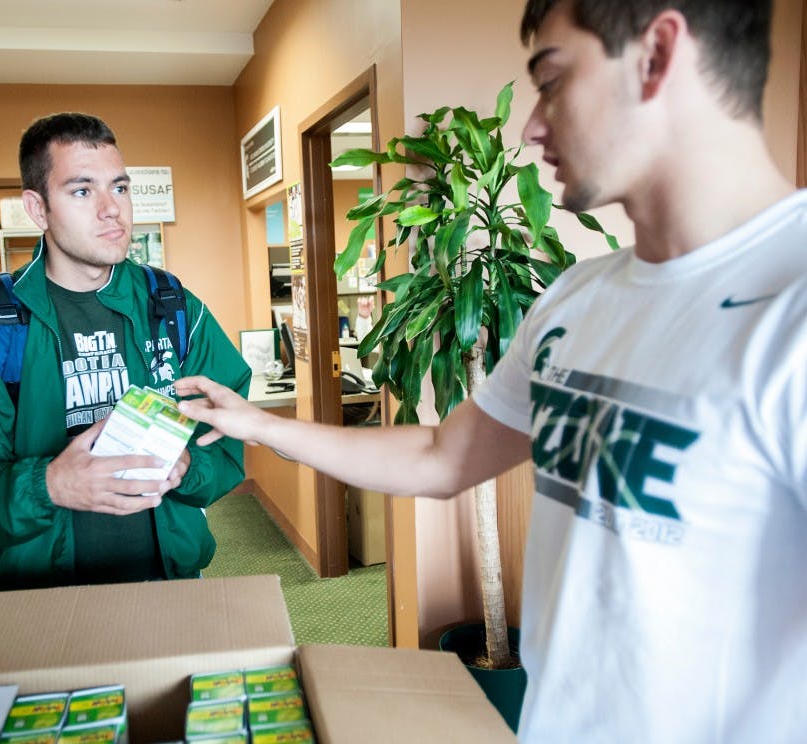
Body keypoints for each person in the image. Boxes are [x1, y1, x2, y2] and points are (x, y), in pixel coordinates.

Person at [175, 1, 806, 741]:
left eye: (552, 79)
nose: (533, 126)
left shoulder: (790, 307)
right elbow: (445, 456)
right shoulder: (577, 297)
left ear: (658, 54)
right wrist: (254, 425)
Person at [0, 112, 251, 593]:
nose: (111, 208)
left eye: (119, 187)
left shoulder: (173, 307)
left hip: (169, 580)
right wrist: (49, 485)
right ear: (38, 208)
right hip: (33, 595)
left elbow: (227, 433)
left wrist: (189, 468)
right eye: (81, 191)